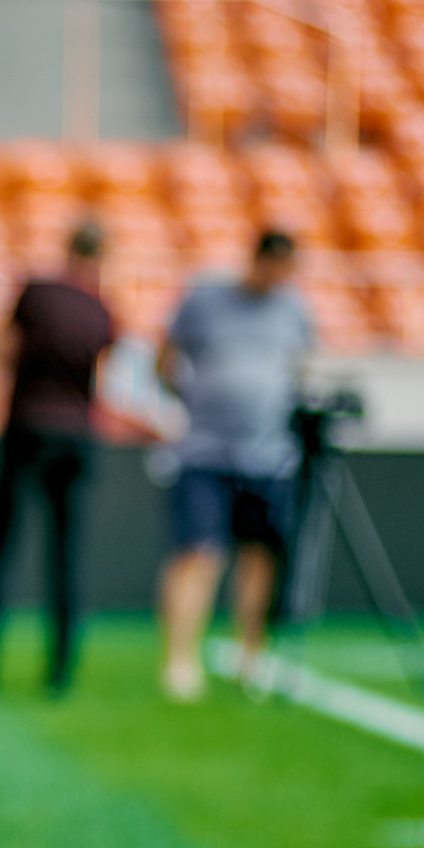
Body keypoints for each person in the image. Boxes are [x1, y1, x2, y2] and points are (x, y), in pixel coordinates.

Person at [0, 224, 116, 698]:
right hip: (78, 438)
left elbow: (6, 348)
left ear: (68, 248)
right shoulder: (103, 311)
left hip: (27, 431)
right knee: (66, 556)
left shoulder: (38, 293)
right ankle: (61, 672)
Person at [155, 230, 314, 702]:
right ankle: (180, 660)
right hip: (205, 451)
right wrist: (192, 403)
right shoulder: (205, 299)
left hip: (268, 456)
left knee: (260, 557)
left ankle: (251, 656)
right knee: (196, 553)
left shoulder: (295, 309)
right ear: (256, 258)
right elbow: (165, 358)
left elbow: (299, 366)